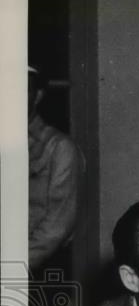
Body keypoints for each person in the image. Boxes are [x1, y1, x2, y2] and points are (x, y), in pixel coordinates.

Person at [28, 66, 84, 274]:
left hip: (37, 270)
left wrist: (11, 266)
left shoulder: (58, 148)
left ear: (37, 96)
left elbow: (56, 228)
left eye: (22, 90)